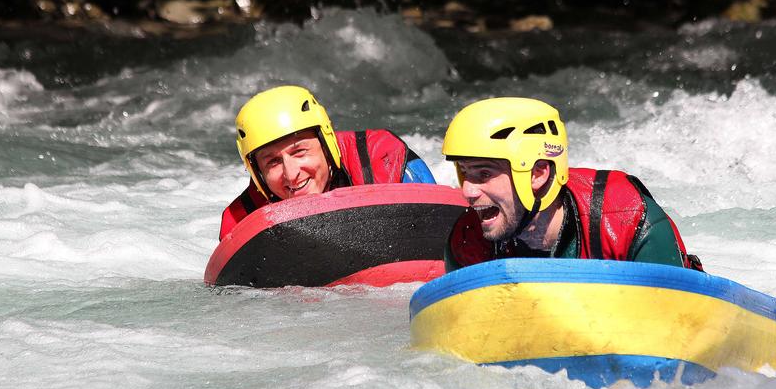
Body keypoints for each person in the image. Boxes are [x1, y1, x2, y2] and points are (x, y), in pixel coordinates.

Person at [441, 97, 703, 271]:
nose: (467, 191)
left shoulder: (627, 220)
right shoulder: (468, 239)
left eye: (484, 174)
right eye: (464, 172)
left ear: (538, 173)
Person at [219, 84, 436, 240]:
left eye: (299, 152)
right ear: (257, 173)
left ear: (327, 144)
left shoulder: (382, 159)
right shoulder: (241, 222)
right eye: (273, 162)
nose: (291, 174)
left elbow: (442, 230)